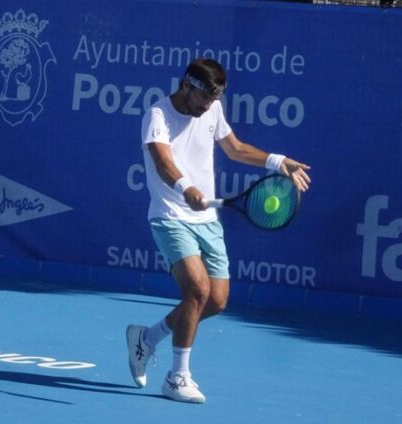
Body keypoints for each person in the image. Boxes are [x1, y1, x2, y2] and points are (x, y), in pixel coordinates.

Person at [127, 58, 311, 404]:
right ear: (186, 85)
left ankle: (147, 338)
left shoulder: (211, 110)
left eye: (213, 100)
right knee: (197, 289)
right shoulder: (157, 116)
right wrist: (186, 189)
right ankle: (177, 377)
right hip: (170, 215)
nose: (207, 106)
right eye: (203, 99)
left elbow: (236, 148)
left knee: (215, 301)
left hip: (207, 220)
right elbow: (163, 162)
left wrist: (278, 160)